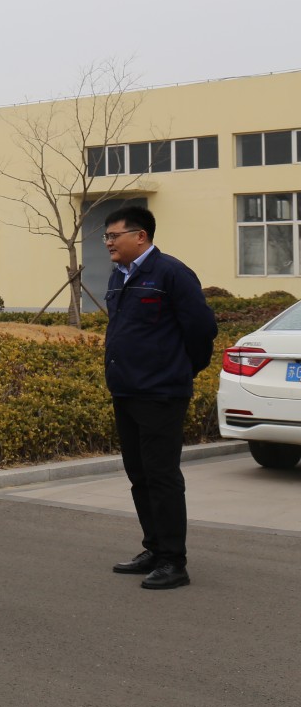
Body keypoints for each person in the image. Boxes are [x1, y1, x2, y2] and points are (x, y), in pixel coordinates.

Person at [99, 205, 216, 591]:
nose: (108, 243)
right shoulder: (119, 276)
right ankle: (154, 548)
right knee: (139, 474)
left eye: (114, 236)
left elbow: (202, 329)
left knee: (162, 476)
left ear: (141, 236)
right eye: (106, 236)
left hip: (161, 393)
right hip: (126, 390)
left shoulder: (171, 273)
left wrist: (180, 370)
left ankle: (173, 561)